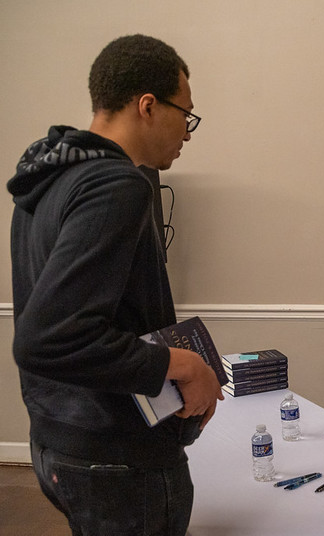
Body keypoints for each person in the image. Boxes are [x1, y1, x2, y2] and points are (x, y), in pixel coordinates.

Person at [7, 35, 223, 535]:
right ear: (147, 105)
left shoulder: (46, 182)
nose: (187, 132)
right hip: (117, 457)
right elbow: (49, 337)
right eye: (184, 114)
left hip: (56, 439)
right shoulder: (117, 185)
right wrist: (182, 363)